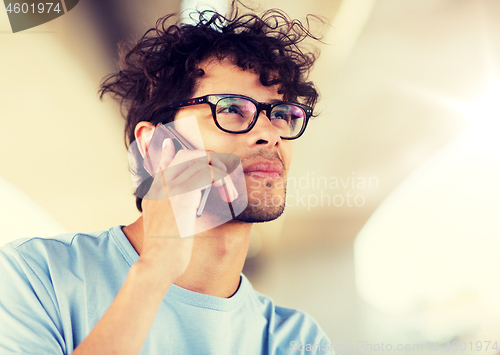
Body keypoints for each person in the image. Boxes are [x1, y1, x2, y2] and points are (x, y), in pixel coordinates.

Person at [0, 4, 334, 355]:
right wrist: (156, 268)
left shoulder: (297, 341)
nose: (270, 133)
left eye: (281, 114)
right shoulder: (36, 278)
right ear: (157, 145)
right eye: (232, 109)